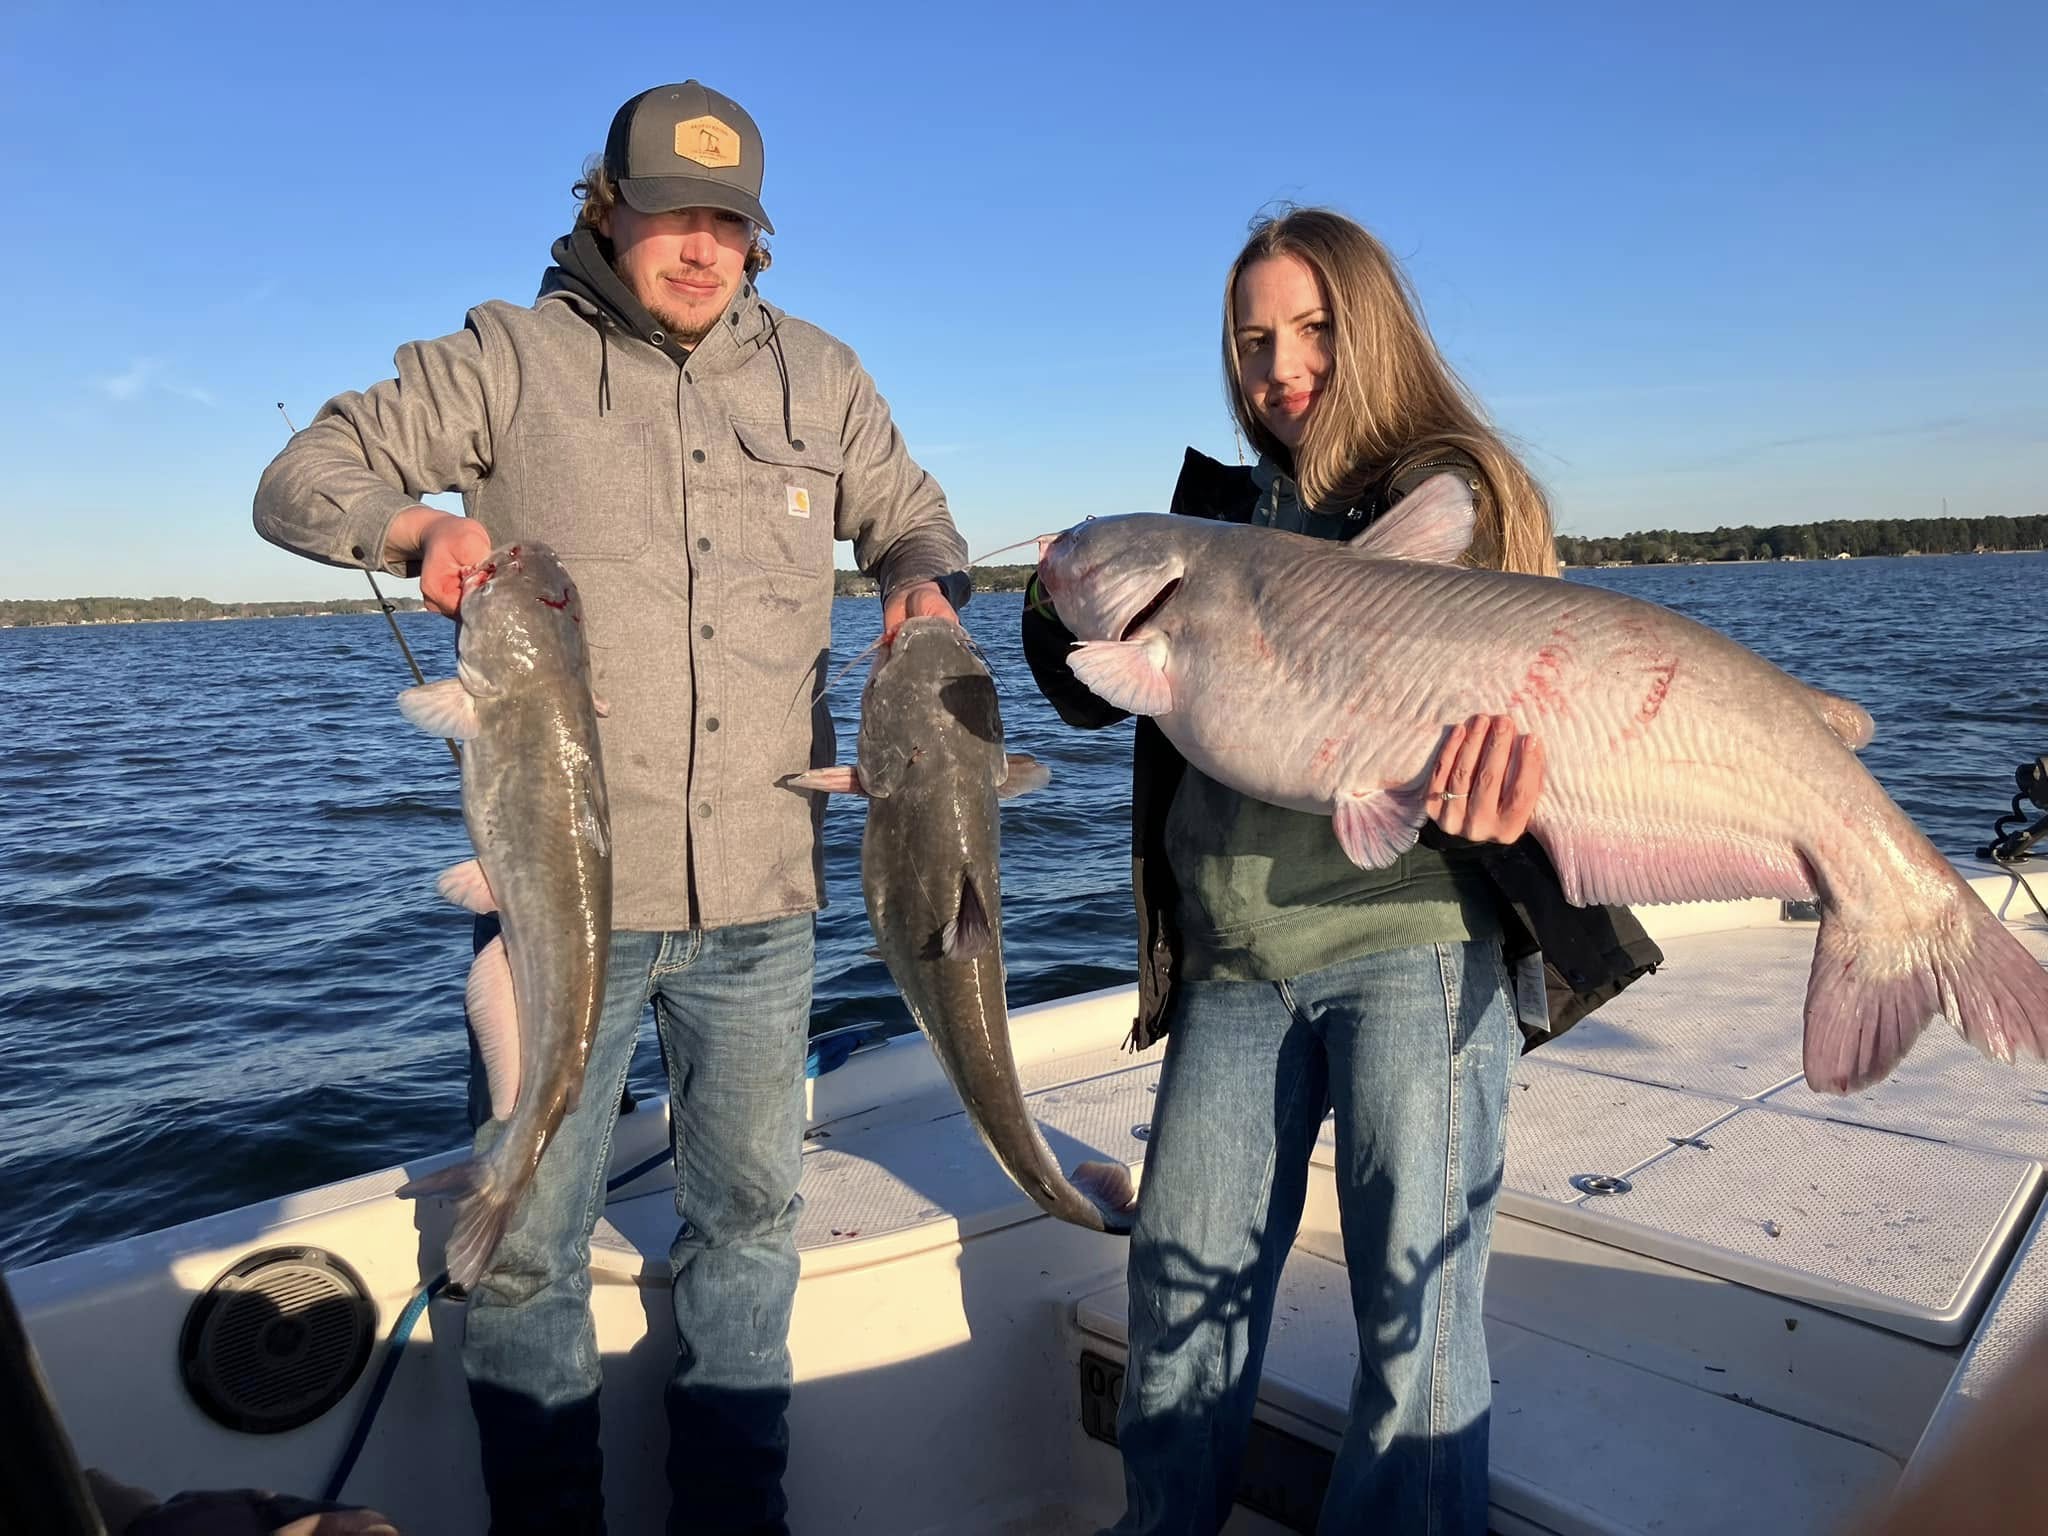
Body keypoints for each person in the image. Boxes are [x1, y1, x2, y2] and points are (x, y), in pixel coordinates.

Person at [254, 81, 968, 1536]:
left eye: (727, 222)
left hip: (768, 895)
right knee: (519, 1239)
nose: (697, 248)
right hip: (566, 901)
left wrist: (917, 583)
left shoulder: (822, 377)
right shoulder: (507, 359)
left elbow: (914, 516)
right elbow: (297, 478)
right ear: (606, 207)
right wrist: (417, 525)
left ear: (756, 239)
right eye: (668, 214)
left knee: (752, 1237)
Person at [1024, 207, 1655, 1535]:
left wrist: (1511, 788)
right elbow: (1084, 689)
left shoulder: (1453, 496)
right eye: (1252, 340)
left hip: (1410, 947)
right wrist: (1054, 596)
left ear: (1372, 324)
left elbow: (1526, 696)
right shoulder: (1217, 513)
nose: (1280, 365)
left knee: (1414, 1330)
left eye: (1311, 328)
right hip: (1236, 965)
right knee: (1178, 1318)